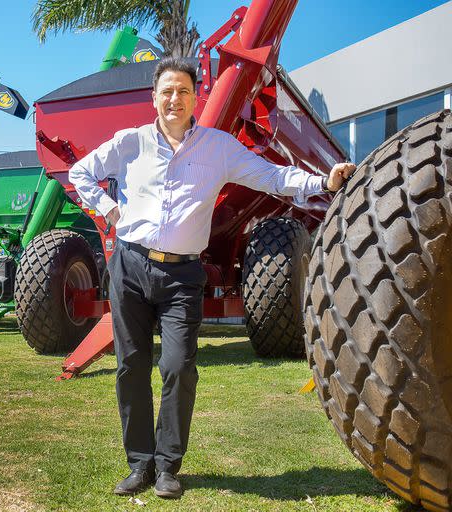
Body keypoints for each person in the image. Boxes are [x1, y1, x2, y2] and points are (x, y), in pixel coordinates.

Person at [68, 57, 355, 499]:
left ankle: (167, 466)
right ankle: (139, 463)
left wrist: (324, 182)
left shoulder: (218, 148)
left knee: (179, 365)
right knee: (131, 365)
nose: (174, 99)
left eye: (183, 91)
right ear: (154, 98)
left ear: (194, 98)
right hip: (128, 266)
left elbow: (272, 177)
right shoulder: (131, 143)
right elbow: (80, 172)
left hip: (183, 273)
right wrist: (108, 211)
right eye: (166, 91)